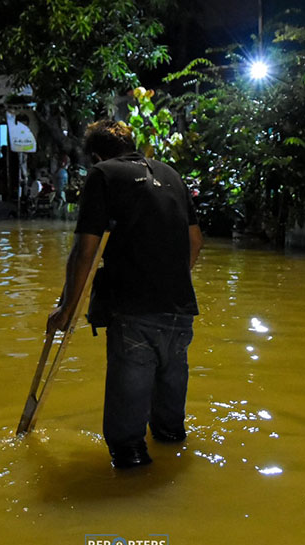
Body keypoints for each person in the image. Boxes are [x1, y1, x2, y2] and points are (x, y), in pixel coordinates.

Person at [47, 119, 203, 469]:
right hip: (179, 310)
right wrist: (169, 278)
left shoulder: (102, 174)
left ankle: (132, 489)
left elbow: (85, 251)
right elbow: (195, 241)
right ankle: (172, 482)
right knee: (171, 431)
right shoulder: (171, 174)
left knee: (127, 445)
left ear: (96, 155)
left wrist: (67, 308)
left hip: (134, 311)